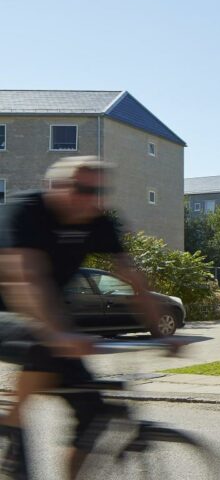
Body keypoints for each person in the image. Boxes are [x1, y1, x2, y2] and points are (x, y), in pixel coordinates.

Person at [0, 156, 177, 479]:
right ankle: (10, 424)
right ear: (53, 187)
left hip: (46, 319)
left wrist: (162, 331)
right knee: (40, 341)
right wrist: (58, 335)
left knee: (94, 413)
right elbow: (26, 280)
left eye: (99, 191)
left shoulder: (98, 221)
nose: (91, 199)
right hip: (9, 309)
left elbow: (133, 277)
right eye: (81, 189)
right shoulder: (26, 211)